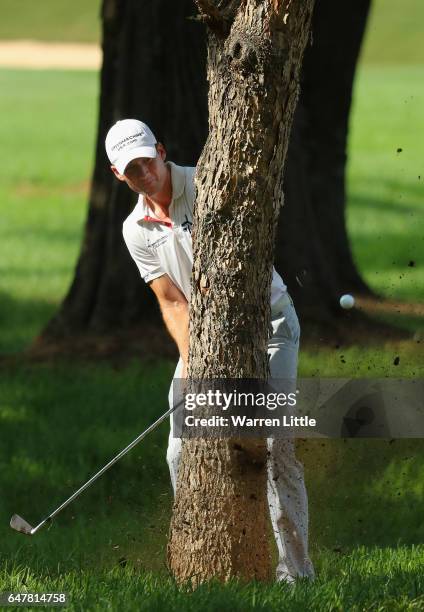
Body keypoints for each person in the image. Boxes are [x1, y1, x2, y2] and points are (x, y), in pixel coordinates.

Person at [105, 118, 315, 583]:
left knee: (274, 446)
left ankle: (296, 575)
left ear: (161, 150)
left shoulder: (207, 184)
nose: (144, 174)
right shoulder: (135, 230)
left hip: (271, 325)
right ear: (119, 175)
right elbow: (172, 301)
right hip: (204, 340)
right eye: (131, 170)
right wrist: (197, 363)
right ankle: (201, 565)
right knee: (179, 451)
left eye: (147, 161)